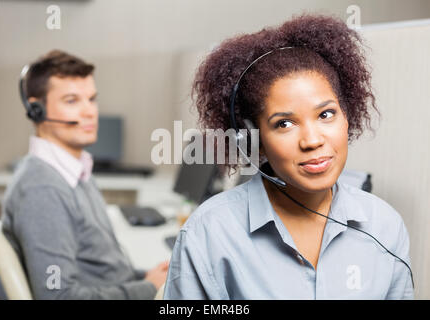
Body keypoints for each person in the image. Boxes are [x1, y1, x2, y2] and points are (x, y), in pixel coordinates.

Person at [163, 14, 414, 299]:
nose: (312, 140)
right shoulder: (208, 234)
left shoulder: (385, 226)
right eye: (284, 123)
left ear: (347, 116)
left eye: (326, 114)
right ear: (254, 140)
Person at [1, 50, 168, 299]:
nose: (89, 112)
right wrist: (149, 287)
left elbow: (102, 270)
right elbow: (58, 297)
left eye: (91, 99)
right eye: (72, 101)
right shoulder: (42, 189)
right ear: (36, 110)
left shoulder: (76, 171)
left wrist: (144, 277)